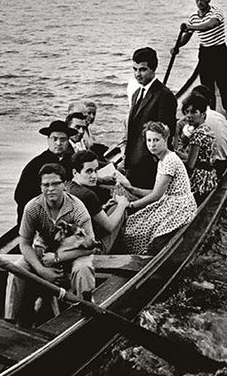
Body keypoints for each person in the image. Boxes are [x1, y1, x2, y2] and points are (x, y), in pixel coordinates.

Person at [5, 163, 96, 327]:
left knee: (83, 269)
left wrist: (56, 258)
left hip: (73, 253)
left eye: (55, 184)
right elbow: (24, 244)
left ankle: (87, 314)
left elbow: (91, 246)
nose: (51, 189)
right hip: (44, 253)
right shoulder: (33, 208)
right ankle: (11, 321)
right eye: (46, 185)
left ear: (64, 185)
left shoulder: (77, 209)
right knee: (16, 270)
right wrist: (42, 270)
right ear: (40, 187)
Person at [117, 122, 196, 255]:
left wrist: (129, 205)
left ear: (165, 140)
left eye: (156, 140)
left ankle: (142, 257)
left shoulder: (170, 161)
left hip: (180, 206)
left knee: (137, 229)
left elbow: (156, 196)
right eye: (149, 140)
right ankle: (135, 254)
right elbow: (155, 192)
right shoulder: (162, 159)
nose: (152, 144)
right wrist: (132, 189)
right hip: (170, 202)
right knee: (133, 224)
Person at [172, 0, 227, 118]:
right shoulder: (193, 17)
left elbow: (209, 25)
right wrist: (177, 46)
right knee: (207, 88)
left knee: (224, 84)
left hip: (220, 53)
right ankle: (210, 114)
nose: (200, 2)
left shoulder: (216, 13)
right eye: (197, 0)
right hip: (205, 54)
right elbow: (186, 37)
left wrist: (190, 27)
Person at [124, 47, 177, 190]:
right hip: (133, 161)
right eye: (134, 69)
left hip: (150, 165)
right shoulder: (137, 93)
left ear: (153, 69)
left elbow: (165, 134)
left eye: (142, 70)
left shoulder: (164, 96)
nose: (137, 74)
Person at [66, 150, 130, 253]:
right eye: (89, 171)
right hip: (93, 250)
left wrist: (103, 207)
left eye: (96, 170)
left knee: (112, 207)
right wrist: (122, 204)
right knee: (119, 209)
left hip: (73, 247)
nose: (94, 176)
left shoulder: (69, 186)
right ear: (75, 172)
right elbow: (109, 227)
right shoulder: (87, 195)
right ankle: (121, 249)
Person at [14, 120, 77, 224]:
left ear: (68, 141)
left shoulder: (70, 160)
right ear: (48, 140)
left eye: (63, 139)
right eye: (54, 139)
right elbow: (20, 196)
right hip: (37, 218)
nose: (58, 143)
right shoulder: (36, 165)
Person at [177, 93, 218, 204]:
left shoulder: (197, 135)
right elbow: (199, 158)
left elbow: (190, 165)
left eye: (194, 112)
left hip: (200, 180)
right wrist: (176, 154)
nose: (189, 116)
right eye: (187, 112)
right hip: (210, 177)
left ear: (203, 114)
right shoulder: (206, 129)